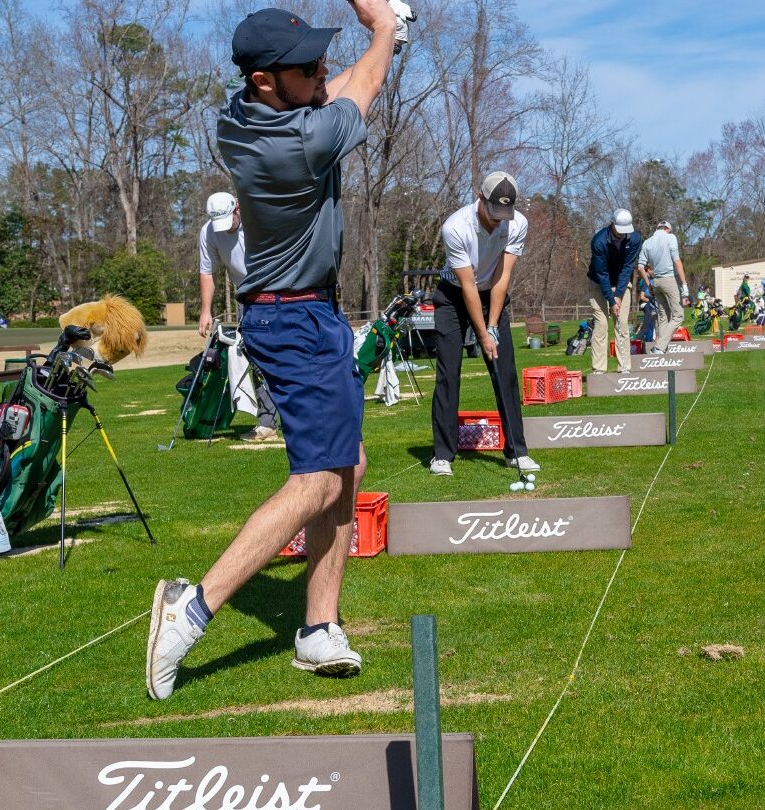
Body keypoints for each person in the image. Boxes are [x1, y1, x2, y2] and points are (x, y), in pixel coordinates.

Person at [145, 2, 398, 701]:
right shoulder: (296, 146)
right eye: (306, 67)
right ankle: (191, 608)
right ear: (264, 80)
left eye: (320, 62)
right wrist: (385, 31)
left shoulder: (251, 115)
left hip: (305, 310)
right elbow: (361, 89)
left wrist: (383, 39)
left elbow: (340, 87)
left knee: (347, 465)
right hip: (290, 319)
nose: (322, 73)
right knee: (317, 480)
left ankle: (317, 629)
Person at [428, 171, 539, 476]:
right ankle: (442, 455)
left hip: (492, 293)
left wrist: (492, 327)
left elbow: (502, 279)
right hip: (453, 294)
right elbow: (467, 288)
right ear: (480, 198)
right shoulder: (455, 228)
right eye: (493, 212)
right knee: (449, 372)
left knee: (505, 370)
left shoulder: (517, 224)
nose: (496, 220)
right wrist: (481, 333)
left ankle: (516, 451)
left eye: (503, 214)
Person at [198, 191, 281, 442]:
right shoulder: (209, 232)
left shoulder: (260, 222)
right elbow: (207, 272)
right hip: (247, 298)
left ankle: (301, 419)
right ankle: (267, 424)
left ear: (238, 210)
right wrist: (205, 310)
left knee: (286, 357)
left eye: (229, 221)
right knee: (257, 360)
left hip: (279, 292)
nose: (225, 229)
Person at [586, 209, 642, 373]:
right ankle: (599, 369)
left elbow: (627, 268)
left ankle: (624, 367)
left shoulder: (636, 239)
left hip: (622, 283)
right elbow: (602, 274)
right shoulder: (599, 241)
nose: (622, 234)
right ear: (612, 224)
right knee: (602, 324)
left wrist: (618, 295)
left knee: (621, 323)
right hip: (598, 282)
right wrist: (611, 301)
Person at [636, 219, 687, 353]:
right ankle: (660, 346)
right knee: (678, 316)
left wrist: (649, 285)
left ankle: (661, 349)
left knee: (664, 316)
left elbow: (640, 267)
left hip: (655, 282)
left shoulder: (647, 242)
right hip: (668, 280)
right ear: (668, 229)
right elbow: (677, 261)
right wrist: (684, 283)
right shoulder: (670, 237)